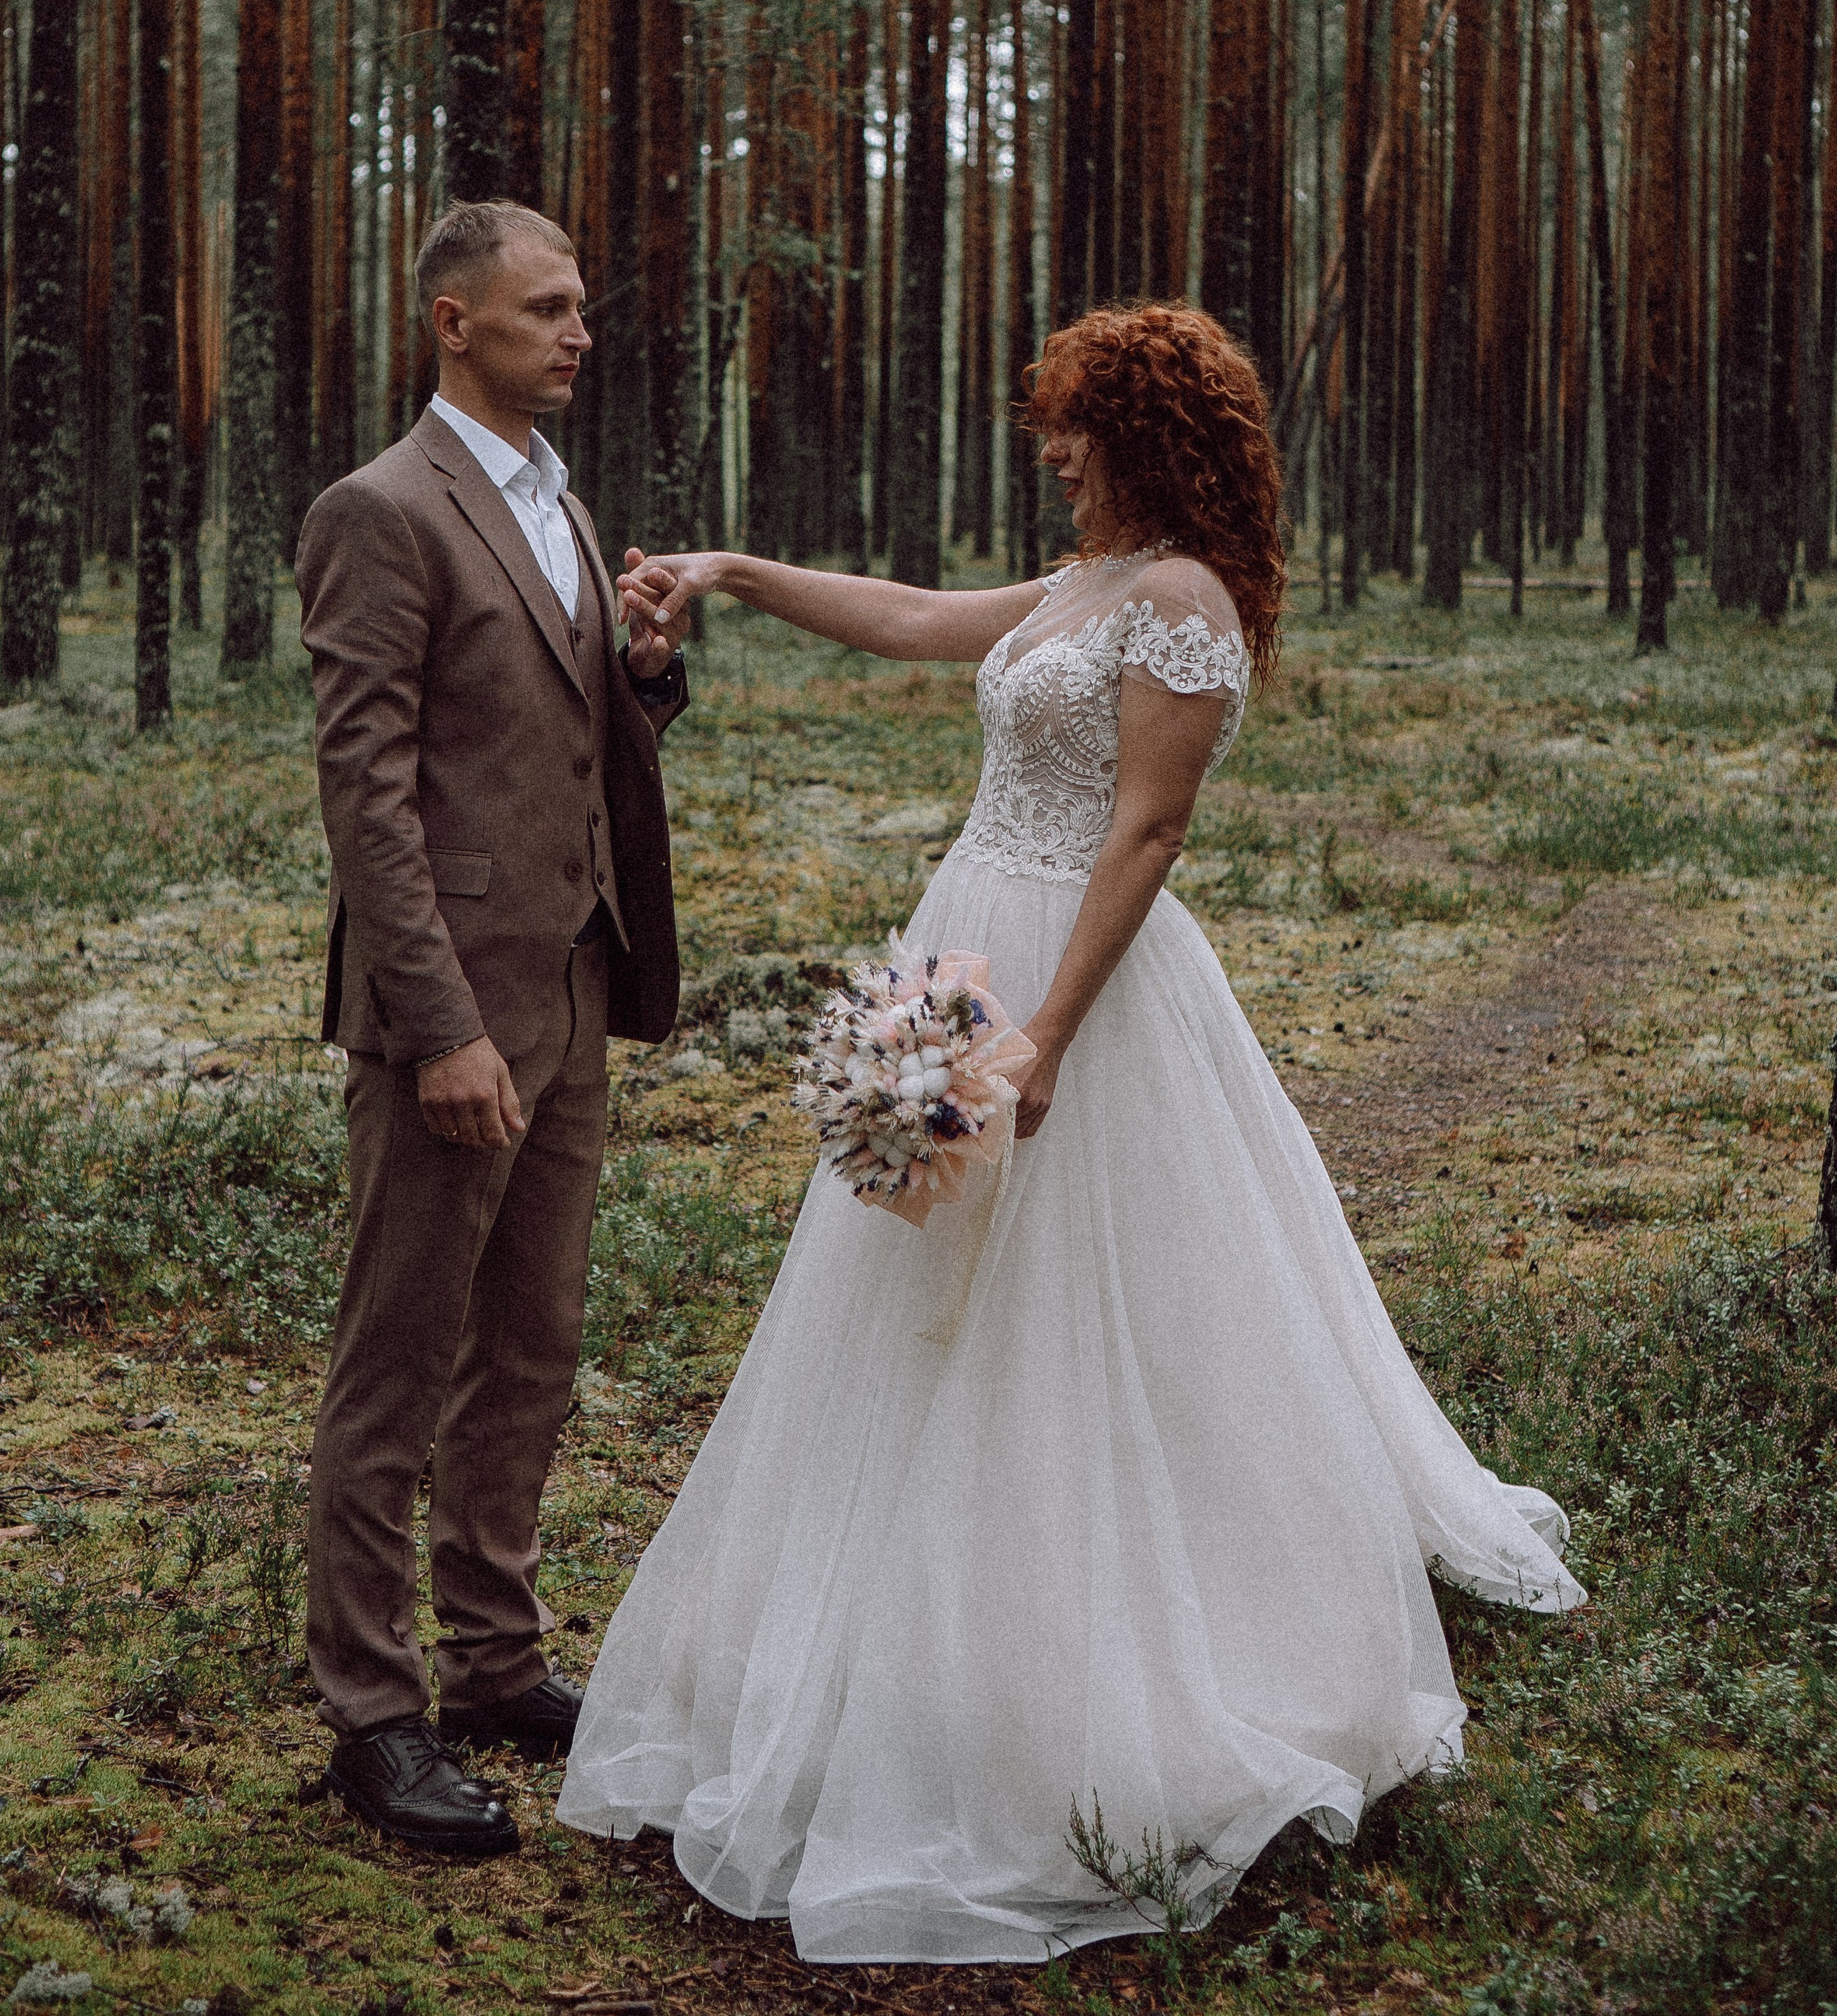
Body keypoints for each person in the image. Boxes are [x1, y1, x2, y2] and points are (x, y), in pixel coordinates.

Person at [560, 300, 1583, 1964]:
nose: (1049, 445)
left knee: (1105, 1310)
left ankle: (1123, 1648)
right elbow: (903, 617)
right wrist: (732, 571)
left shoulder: (1178, 604)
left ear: (1143, 432)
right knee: (916, 1293)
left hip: (1077, 981)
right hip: (966, 938)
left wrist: (1046, 1030)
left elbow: (1150, 826)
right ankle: (909, 1631)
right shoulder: (1074, 591)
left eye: (1071, 421)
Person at [294, 200, 689, 1860]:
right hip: (448, 1018)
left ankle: (497, 1663)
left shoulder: (562, 507)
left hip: (574, 990)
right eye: (542, 311)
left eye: (582, 308)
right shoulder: (381, 511)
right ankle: (373, 1717)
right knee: (397, 1365)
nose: (576, 333)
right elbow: (366, 795)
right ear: (454, 324)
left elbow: (564, 736)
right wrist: (440, 1027)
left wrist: (647, 676)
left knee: (528, 1353)